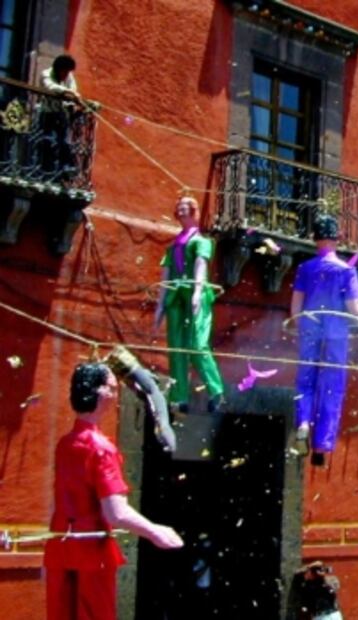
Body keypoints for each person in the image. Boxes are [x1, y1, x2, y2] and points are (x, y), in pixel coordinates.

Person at [44, 362, 183, 620]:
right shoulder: (101, 449)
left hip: (60, 549)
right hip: (91, 553)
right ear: (101, 394)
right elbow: (116, 513)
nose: (116, 393)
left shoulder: (66, 444)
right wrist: (155, 531)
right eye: (112, 387)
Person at [290, 214, 358, 467]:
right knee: (331, 387)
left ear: (315, 239)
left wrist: (299, 327)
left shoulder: (305, 268)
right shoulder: (346, 270)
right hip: (336, 333)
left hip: (310, 329)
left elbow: (295, 306)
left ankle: (303, 423)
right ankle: (321, 444)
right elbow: (354, 306)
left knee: (305, 380)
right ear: (337, 238)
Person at [154, 196, 225, 414]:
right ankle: (179, 397)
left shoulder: (201, 241)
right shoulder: (172, 246)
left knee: (197, 344)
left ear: (193, 211)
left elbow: (200, 265)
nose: (180, 211)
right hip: (175, 296)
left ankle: (216, 391)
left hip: (195, 294)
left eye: (184, 208)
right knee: (176, 347)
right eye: (178, 209)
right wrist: (160, 306)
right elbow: (166, 275)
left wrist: (196, 291)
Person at [38, 53, 85, 178]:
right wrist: (70, 93)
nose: (66, 75)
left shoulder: (69, 76)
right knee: (47, 139)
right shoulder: (46, 74)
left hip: (61, 113)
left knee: (65, 141)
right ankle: (45, 168)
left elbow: (73, 88)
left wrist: (73, 98)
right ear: (58, 69)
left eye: (68, 72)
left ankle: (66, 167)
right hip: (47, 113)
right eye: (64, 72)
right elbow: (51, 87)